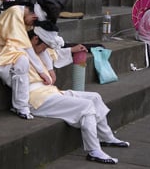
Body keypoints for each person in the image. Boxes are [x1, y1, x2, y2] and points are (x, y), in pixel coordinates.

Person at [24, 23, 130, 164]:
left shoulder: (42, 51)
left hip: (51, 92)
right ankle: (94, 151)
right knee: (86, 106)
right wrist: (21, 107)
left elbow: (55, 54)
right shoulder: (19, 54)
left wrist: (71, 50)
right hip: (36, 99)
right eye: (44, 46)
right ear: (35, 39)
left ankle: (106, 137)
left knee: (95, 97)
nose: (45, 50)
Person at [0, 2, 52, 119]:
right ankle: (21, 106)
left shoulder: (22, 15)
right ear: (34, 17)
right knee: (22, 60)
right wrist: (41, 72)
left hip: (5, 53)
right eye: (33, 22)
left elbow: (28, 45)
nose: (31, 26)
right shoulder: (15, 13)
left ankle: (22, 103)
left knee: (24, 61)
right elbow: (25, 46)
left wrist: (48, 69)